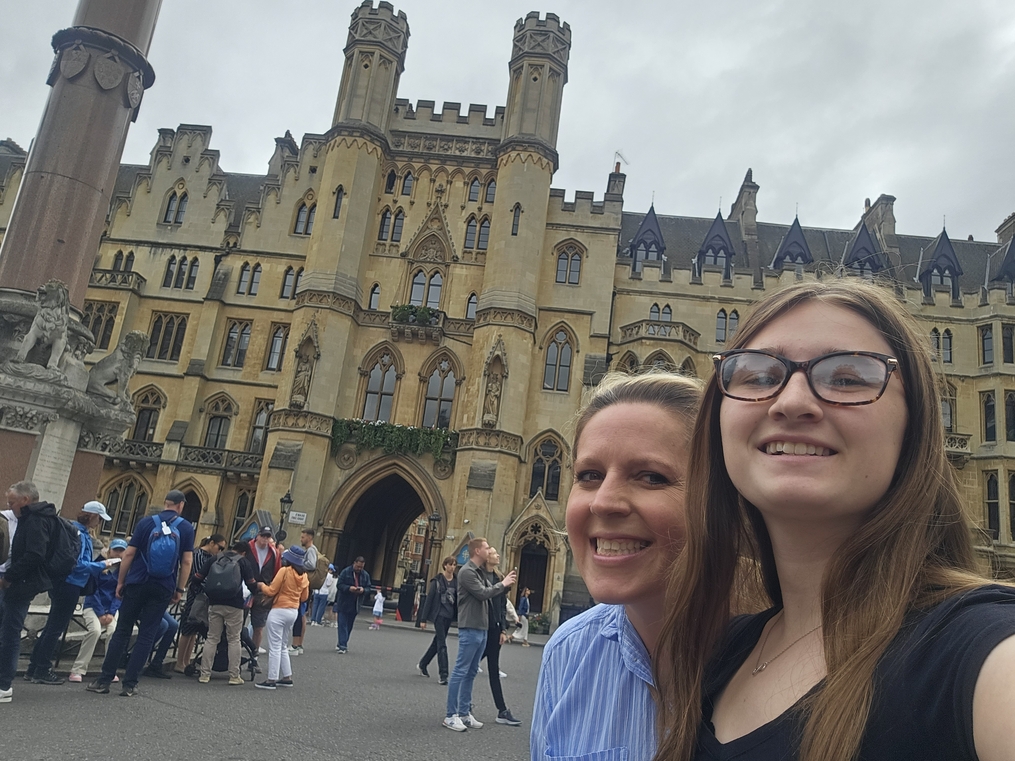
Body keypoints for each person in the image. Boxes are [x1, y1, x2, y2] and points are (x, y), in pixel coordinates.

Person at [653, 280, 1015, 761]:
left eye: (847, 378)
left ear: (916, 423)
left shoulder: (970, 646)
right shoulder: (726, 653)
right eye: (758, 376)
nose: (792, 401)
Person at [530, 372, 702, 759]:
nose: (603, 502)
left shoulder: (792, 662)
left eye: (651, 477)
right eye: (589, 475)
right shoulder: (568, 651)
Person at [87, 489, 194, 698]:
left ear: (165, 503)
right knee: (147, 633)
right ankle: (130, 684)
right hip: (163, 586)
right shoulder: (186, 527)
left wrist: (120, 581)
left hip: (137, 582)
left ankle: (104, 680)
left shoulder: (146, 523)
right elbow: (187, 561)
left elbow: (129, 553)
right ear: (180, 506)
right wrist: (179, 589)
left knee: (122, 630)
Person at [26, 500, 117, 685]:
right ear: (92, 516)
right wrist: (102, 564)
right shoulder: (81, 535)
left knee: (52, 626)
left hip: (61, 582)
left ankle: (34, 667)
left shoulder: (72, 530)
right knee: (55, 628)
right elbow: (79, 565)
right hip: (70, 584)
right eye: (99, 518)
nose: (99, 522)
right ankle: (42, 669)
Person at [443, 537, 516, 732]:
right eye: (486, 547)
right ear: (477, 551)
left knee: (471, 671)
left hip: (482, 628)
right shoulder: (467, 572)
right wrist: (503, 584)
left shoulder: (479, 572)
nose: (489, 549)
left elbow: (491, 597)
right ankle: (451, 715)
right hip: (470, 626)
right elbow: (483, 593)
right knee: (460, 670)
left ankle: (465, 713)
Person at [0, 481, 58, 703]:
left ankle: (4, 685)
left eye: (12, 502)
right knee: (6, 632)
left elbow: (34, 554)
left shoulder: (35, 520)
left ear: (25, 500)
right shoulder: (37, 517)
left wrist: (9, 577)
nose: (9, 505)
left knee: (10, 635)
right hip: (20, 582)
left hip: (20, 584)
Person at [198, 540, 259, 685]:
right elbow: (251, 584)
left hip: (214, 602)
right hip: (234, 604)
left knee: (212, 638)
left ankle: (204, 674)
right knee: (234, 639)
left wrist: (207, 590)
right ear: (244, 552)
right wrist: (256, 592)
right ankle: (234, 675)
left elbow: (197, 577)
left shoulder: (216, 558)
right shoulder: (243, 562)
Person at [70, 538, 127, 682]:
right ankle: (78, 669)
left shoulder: (124, 570)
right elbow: (92, 591)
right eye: (116, 550)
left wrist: (112, 612)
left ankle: (109, 670)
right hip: (93, 606)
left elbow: (119, 594)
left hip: (112, 608)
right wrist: (101, 613)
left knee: (114, 632)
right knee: (94, 630)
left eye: (122, 551)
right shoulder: (98, 565)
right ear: (110, 551)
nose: (118, 554)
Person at [255, 544, 309, 690]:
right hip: (293, 611)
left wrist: (261, 586)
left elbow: (272, 590)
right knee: (283, 644)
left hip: (279, 610)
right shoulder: (304, 576)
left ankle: (271, 679)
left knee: (275, 646)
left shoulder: (284, 571)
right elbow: (304, 597)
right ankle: (287, 677)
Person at [481, 546, 522, 726]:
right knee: (465, 669)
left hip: (495, 630)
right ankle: (459, 708)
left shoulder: (498, 577)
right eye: (494, 553)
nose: (498, 555)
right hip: (480, 628)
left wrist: (504, 630)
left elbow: (501, 605)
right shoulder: (479, 576)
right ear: (486, 557)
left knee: (492, 669)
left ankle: (502, 710)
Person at [174, 533, 225, 673]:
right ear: (212, 543)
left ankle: (186, 661)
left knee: (195, 629)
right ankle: (180, 662)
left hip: (204, 597)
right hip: (195, 595)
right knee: (188, 627)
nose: (220, 551)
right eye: (219, 547)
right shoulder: (198, 555)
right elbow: (199, 576)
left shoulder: (211, 558)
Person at [418, 556, 457, 684]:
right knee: (442, 645)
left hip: (449, 616)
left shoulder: (457, 582)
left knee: (437, 642)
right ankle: (444, 674)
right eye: (450, 564)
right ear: (444, 565)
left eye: (454, 565)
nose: (452, 567)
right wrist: (422, 619)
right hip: (439, 615)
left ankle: (423, 664)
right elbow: (429, 601)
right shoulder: (437, 581)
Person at [247, 526, 280, 654]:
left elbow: (277, 573)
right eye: (263, 536)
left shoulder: (274, 553)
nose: (265, 539)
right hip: (245, 589)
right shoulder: (248, 547)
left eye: (268, 537)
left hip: (263, 592)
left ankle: (253, 656)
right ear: (258, 535)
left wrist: (272, 591)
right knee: (236, 625)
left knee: (259, 627)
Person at [288, 528, 320, 655]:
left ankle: (297, 644)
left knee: (301, 614)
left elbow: (311, 565)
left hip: (306, 585)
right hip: (307, 585)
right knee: (302, 614)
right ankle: (299, 644)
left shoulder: (311, 550)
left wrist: (299, 563)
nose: (301, 539)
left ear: (309, 538)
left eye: (303, 537)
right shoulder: (311, 550)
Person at [334, 556, 372, 653]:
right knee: (342, 624)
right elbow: (339, 585)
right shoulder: (345, 572)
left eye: (361, 567)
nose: (359, 569)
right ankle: (343, 646)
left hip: (355, 603)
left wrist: (363, 590)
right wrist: (348, 588)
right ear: (354, 563)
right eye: (358, 566)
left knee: (349, 625)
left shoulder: (365, 575)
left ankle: (342, 643)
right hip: (344, 601)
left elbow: (368, 588)